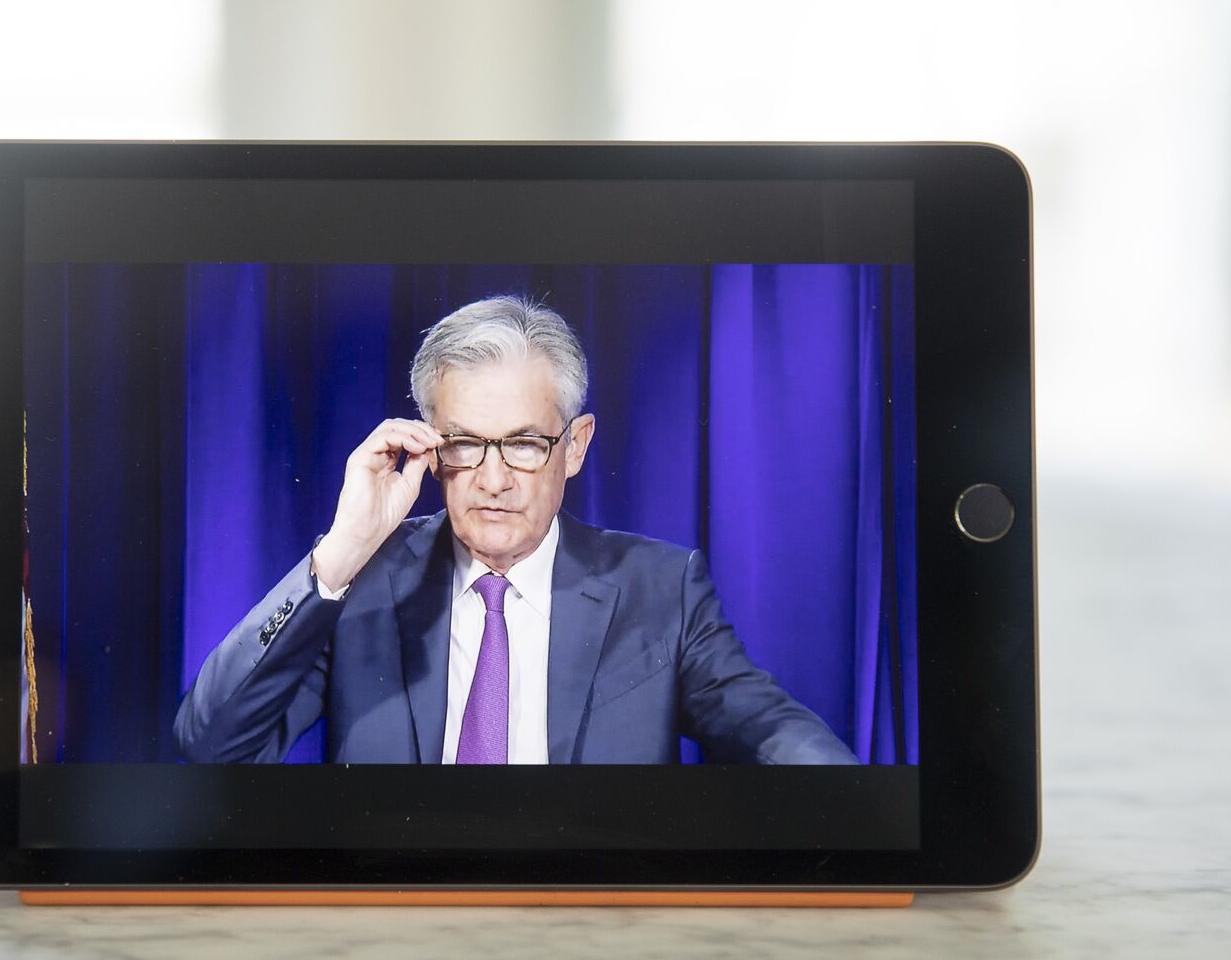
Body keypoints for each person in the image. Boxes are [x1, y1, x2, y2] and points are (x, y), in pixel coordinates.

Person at [174, 295, 857, 765]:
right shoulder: (364, 581)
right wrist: (339, 556)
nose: (493, 480)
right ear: (427, 447)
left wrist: (864, 804)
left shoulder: (660, 588)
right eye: (465, 443)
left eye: (526, 443)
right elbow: (211, 745)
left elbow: (769, 729)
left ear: (576, 446)